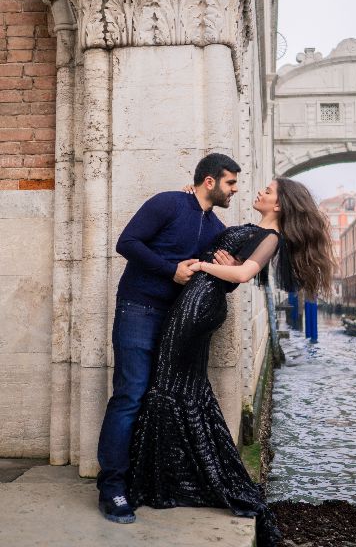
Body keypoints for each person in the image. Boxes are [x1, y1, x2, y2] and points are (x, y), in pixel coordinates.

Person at [127, 178, 336, 546]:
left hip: (198, 305)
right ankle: (186, 476)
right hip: (198, 303)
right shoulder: (258, 230)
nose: (260, 193)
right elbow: (230, 259)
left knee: (168, 385)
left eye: (268, 192)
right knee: (184, 388)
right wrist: (194, 202)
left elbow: (242, 275)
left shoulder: (272, 237)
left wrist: (207, 267)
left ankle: (166, 480)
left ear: (281, 206)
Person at [97, 153, 241, 523]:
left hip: (177, 324)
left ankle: (143, 481)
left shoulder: (215, 229)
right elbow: (127, 243)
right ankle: (112, 488)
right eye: (230, 183)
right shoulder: (168, 203)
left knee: (159, 397)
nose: (234, 190)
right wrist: (169, 270)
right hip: (138, 308)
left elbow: (212, 283)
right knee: (130, 393)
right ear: (209, 181)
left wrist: (227, 277)